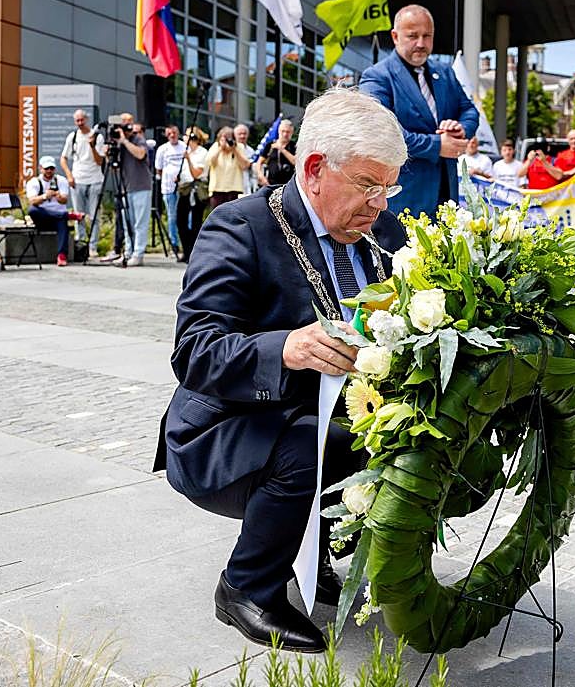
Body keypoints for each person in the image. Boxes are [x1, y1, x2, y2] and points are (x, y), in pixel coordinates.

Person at [156, 89, 407, 653]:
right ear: (315, 169)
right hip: (225, 429)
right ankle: (247, 587)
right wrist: (286, 349)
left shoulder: (382, 235)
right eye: (369, 186)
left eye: (388, 188)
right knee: (302, 442)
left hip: (334, 415)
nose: (381, 205)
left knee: (401, 437)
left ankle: (313, 549)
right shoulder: (241, 226)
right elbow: (195, 351)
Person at [358, 4, 478, 218]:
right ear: (395, 36)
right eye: (413, 36)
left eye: (427, 36)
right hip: (402, 198)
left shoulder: (445, 73)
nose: (421, 43)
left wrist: (459, 129)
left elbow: (469, 110)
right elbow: (381, 132)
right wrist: (438, 145)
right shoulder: (377, 76)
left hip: (447, 196)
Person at [60, 109, 107, 259]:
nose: (80, 123)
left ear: (86, 120)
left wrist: (92, 146)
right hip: (78, 179)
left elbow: (99, 161)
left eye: (82, 120)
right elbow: (63, 158)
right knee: (78, 215)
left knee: (94, 216)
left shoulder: (97, 137)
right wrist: (69, 176)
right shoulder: (72, 137)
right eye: (77, 121)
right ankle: (80, 244)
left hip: (95, 179)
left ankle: (92, 246)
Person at [116, 122, 151, 267]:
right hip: (126, 187)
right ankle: (128, 252)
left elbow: (141, 154)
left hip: (141, 186)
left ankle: (138, 254)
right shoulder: (118, 142)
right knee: (127, 223)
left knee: (139, 223)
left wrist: (124, 141)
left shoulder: (138, 139)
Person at [26, 155, 71, 267]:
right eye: (46, 169)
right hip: (43, 217)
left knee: (62, 221)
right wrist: (45, 196)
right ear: (41, 169)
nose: (49, 171)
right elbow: (32, 201)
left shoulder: (61, 180)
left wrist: (56, 195)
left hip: (58, 219)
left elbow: (64, 200)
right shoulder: (34, 182)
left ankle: (61, 255)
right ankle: (68, 215)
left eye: (51, 168)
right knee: (33, 210)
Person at [175, 129, 209, 262]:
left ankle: (194, 252)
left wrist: (188, 160)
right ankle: (186, 250)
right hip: (185, 188)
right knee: (180, 220)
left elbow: (196, 173)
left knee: (196, 222)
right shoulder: (186, 151)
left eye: (187, 135)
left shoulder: (202, 152)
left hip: (197, 189)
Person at [154, 125, 186, 257]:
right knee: (172, 217)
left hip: (183, 187)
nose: (172, 136)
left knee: (184, 217)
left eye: (174, 133)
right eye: (169, 134)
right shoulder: (163, 149)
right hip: (168, 188)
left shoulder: (184, 146)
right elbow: (159, 169)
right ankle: (174, 245)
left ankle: (186, 244)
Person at [205, 125, 249, 208]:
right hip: (217, 189)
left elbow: (245, 165)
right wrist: (220, 148)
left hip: (234, 189)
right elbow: (210, 162)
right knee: (217, 217)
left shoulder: (239, 147)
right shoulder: (215, 147)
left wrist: (234, 150)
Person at [256, 119, 296, 187]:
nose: (285, 134)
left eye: (288, 132)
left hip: (288, 184)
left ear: (292, 132)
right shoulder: (270, 145)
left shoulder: (294, 146)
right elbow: (259, 162)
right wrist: (260, 175)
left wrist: (282, 149)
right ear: (278, 131)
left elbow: (295, 162)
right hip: (270, 183)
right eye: (283, 131)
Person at [233, 124, 258, 195]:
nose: (242, 136)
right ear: (234, 135)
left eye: (244, 134)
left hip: (247, 183)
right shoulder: (229, 149)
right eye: (239, 134)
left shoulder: (251, 151)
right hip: (232, 185)